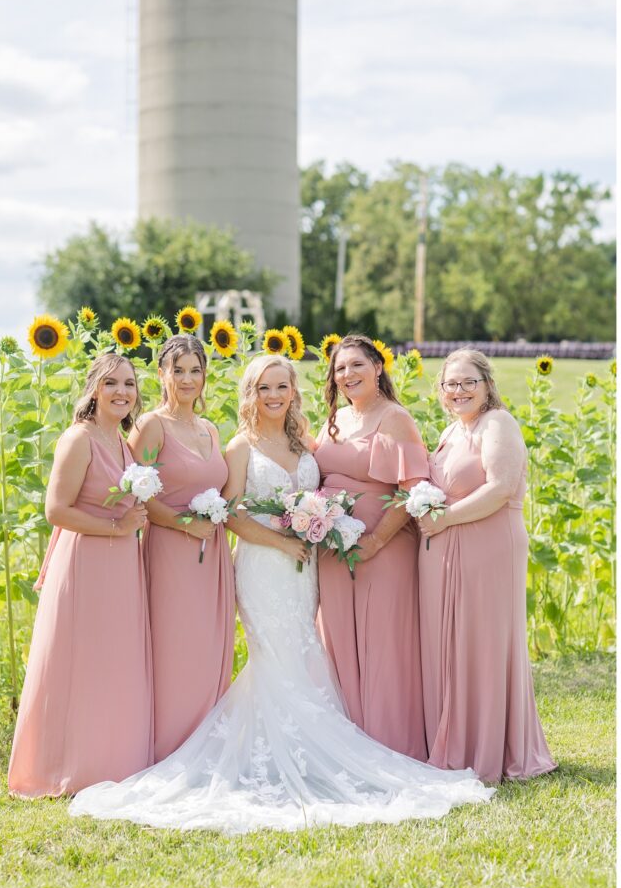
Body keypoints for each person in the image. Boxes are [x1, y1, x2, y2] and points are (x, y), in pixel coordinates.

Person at [69, 355, 494, 833]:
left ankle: (310, 749)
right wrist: (282, 541)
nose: (274, 396)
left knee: (304, 652)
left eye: (281, 387)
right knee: (276, 657)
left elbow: (329, 485)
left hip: (304, 568)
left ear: (294, 392)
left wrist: (319, 522)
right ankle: (285, 751)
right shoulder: (240, 446)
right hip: (265, 567)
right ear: (250, 394)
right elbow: (231, 514)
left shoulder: (303, 442)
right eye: (263, 388)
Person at [8, 354, 153, 796]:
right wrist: (117, 526)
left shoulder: (125, 444)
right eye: (111, 383)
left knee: (111, 662)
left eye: (129, 384)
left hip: (121, 564)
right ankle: (62, 767)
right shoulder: (79, 438)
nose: (122, 392)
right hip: (86, 561)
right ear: (94, 388)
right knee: (80, 660)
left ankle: (110, 761)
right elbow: (56, 510)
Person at [418, 348, 556, 782]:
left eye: (467, 382)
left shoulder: (498, 423)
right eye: (450, 384)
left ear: (486, 384)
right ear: (440, 390)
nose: (458, 390)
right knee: (455, 643)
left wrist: (443, 519)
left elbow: (500, 488)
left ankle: (491, 748)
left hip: (489, 548)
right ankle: (456, 738)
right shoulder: (453, 430)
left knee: (484, 642)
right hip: (449, 548)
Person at [314, 336, 429, 759]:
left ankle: (391, 748)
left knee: (384, 647)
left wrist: (375, 541)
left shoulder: (396, 419)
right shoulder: (334, 419)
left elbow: (414, 492)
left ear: (378, 367)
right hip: (331, 550)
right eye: (340, 368)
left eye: (357, 365)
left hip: (384, 549)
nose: (348, 375)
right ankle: (348, 749)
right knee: (338, 646)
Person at [128, 334, 235, 762]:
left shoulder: (208, 428)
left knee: (210, 649)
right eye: (178, 370)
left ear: (205, 376)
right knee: (176, 650)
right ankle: (169, 748)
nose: (187, 379)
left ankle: (207, 747)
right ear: (161, 374)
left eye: (195, 370)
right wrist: (182, 525)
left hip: (213, 558)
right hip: (171, 552)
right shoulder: (151, 426)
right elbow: (133, 490)